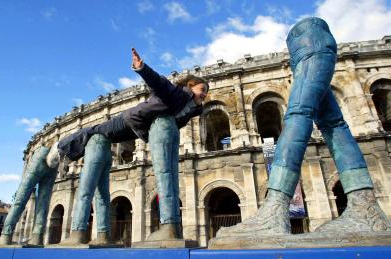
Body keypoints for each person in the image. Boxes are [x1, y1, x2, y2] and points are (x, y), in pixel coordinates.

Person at [215, 17, 390, 239]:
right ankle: (365, 206)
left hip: (310, 45)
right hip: (310, 48)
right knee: (333, 123)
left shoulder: (309, 41)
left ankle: (276, 208)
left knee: (298, 112)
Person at [52, 48, 208, 245]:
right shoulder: (177, 93)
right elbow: (158, 82)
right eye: (202, 90)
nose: (204, 95)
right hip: (131, 120)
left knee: (97, 132)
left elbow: (175, 121)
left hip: (142, 129)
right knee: (95, 131)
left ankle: (66, 151)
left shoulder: (191, 108)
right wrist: (141, 68)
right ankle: (63, 148)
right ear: (190, 85)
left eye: (206, 93)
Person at [0, 145, 59, 246]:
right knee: (43, 202)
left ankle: (6, 235)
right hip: (56, 159)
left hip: (44, 154)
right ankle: (37, 236)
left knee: (21, 198)